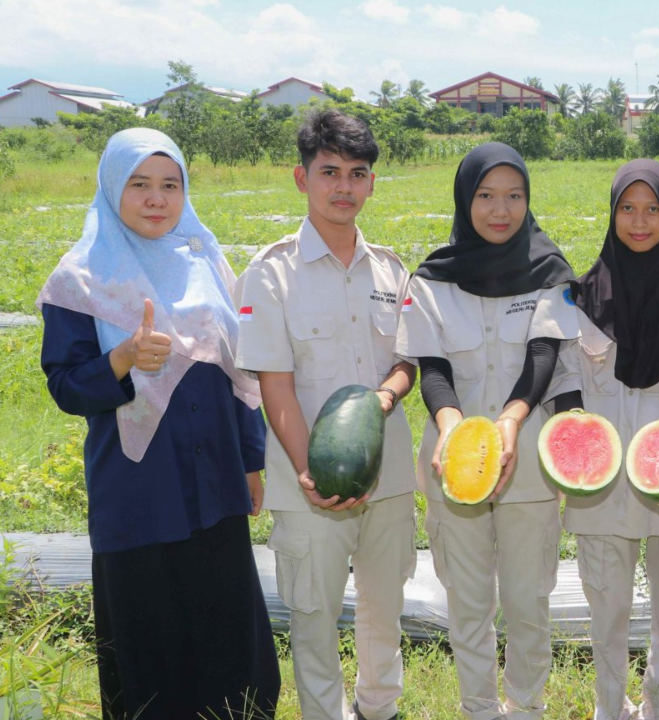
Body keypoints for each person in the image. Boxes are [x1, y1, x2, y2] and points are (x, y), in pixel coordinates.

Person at [38, 127, 280, 719]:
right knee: (149, 613)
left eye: (170, 185)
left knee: (222, 608)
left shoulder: (206, 258)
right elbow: (66, 386)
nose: (156, 199)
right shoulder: (81, 278)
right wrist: (120, 360)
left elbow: (239, 374)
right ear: (112, 189)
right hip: (138, 482)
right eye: (139, 184)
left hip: (217, 472)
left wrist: (252, 460)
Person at [234, 109, 418, 720]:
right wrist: (309, 469)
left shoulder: (391, 269)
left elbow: (407, 362)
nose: (344, 187)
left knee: (383, 608)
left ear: (371, 183)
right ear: (301, 177)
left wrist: (384, 396)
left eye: (357, 173)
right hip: (304, 481)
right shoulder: (271, 272)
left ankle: (379, 709)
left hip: (387, 478)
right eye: (329, 171)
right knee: (313, 616)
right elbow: (274, 385)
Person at [396, 142, 579, 720]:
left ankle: (526, 708)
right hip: (453, 462)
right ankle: (478, 709)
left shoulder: (549, 270)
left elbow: (543, 355)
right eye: (486, 197)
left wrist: (510, 419)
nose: (501, 210)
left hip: (526, 458)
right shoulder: (433, 278)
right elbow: (434, 371)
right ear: (464, 198)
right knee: (468, 601)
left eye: (514, 196)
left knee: (528, 601)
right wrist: (450, 425)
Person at [559, 159, 659, 720]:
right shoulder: (582, 297)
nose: (640, 221)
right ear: (613, 213)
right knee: (606, 603)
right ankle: (609, 707)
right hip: (600, 485)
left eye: (653, 209)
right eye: (628, 208)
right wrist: (574, 456)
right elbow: (566, 382)